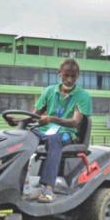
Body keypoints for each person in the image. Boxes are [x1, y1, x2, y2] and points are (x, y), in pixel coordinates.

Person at [33, 58, 92, 202]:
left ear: (78, 75)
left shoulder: (82, 96)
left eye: (73, 76)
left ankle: (48, 189)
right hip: (45, 131)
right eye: (66, 75)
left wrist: (51, 119)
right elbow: (34, 115)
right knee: (22, 136)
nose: (70, 79)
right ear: (60, 74)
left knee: (55, 139)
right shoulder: (49, 91)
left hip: (67, 134)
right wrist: (16, 121)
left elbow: (75, 122)